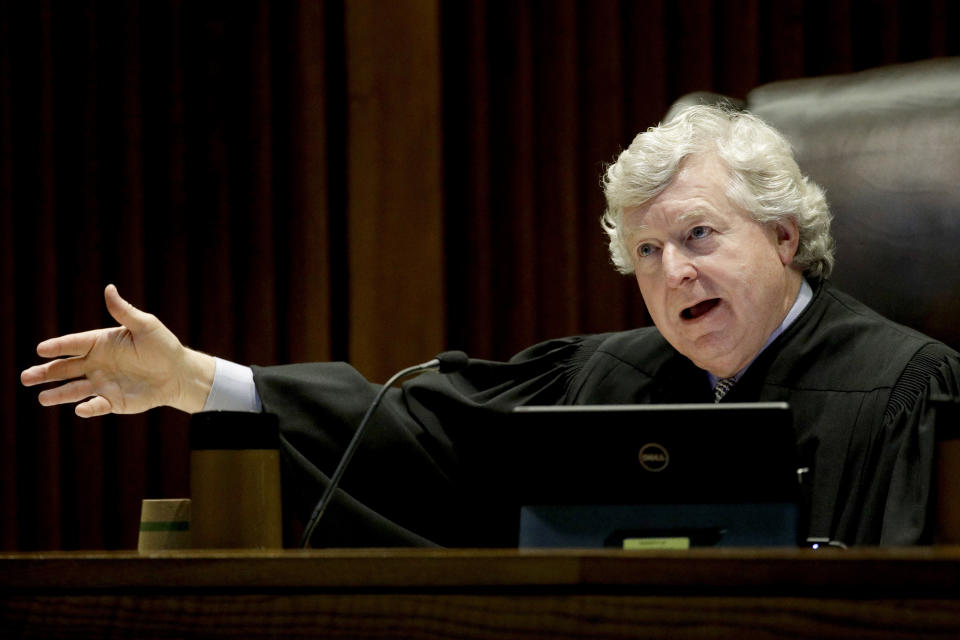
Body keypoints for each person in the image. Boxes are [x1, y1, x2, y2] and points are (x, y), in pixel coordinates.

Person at [21, 105, 960, 548]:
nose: (672, 273)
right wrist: (195, 380)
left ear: (785, 235)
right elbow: (414, 432)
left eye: (699, 236)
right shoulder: (602, 383)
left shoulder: (910, 390)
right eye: (644, 253)